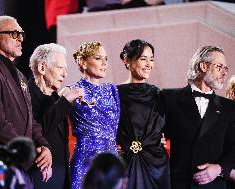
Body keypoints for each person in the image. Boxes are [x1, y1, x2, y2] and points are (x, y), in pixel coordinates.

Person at [0, 16, 52, 188]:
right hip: (5, 167)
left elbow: (31, 120)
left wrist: (44, 146)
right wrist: (28, 151)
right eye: (14, 33)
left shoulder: (20, 75)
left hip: (23, 167)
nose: (21, 38)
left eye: (21, 34)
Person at [162, 46, 235, 189]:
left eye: (226, 69)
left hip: (214, 185)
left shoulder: (229, 107)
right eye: (219, 67)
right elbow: (156, 134)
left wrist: (219, 168)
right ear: (203, 66)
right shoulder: (170, 97)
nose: (224, 73)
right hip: (179, 184)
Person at [28, 43, 84, 189]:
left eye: (65, 69)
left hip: (62, 177)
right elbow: (36, 131)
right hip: (40, 178)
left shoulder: (55, 98)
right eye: (60, 68)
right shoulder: (26, 96)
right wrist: (64, 101)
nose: (65, 74)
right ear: (42, 68)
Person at [116, 39, 170, 189]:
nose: (149, 64)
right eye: (143, 59)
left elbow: (167, 127)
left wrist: (161, 138)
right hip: (124, 165)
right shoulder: (114, 94)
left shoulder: (159, 95)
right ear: (128, 61)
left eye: (151, 59)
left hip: (157, 166)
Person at [67, 41, 120, 189]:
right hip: (85, 160)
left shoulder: (112, 90)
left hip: (111, 157)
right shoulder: (71, 90)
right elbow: (51, 116)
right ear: (83, 62)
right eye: (98, 58)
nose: (104, 63)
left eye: (106, 59)